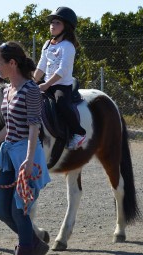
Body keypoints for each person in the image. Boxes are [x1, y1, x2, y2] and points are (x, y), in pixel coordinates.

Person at [0, 41, 51, 255]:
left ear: (13, 63)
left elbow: (34, 125)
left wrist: (28, 159)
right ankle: (35, 243)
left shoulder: (31, 90)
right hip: (8, 155)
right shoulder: (8, 90)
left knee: (19, 210)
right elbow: (8, 126)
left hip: (26, 154)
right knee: (4, 213)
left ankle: (26, 248)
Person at [34, 6, 86, 150]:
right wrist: (32, 82)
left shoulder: (68, 46)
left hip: (61, 86)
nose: (53, 25)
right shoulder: (47, 44)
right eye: (52, 22)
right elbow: (41, 67)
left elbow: (62, 70)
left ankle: (78, 132)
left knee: (61, 102)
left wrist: (45, 85)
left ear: (66, 27)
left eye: (58, 23)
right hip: (47, 83)